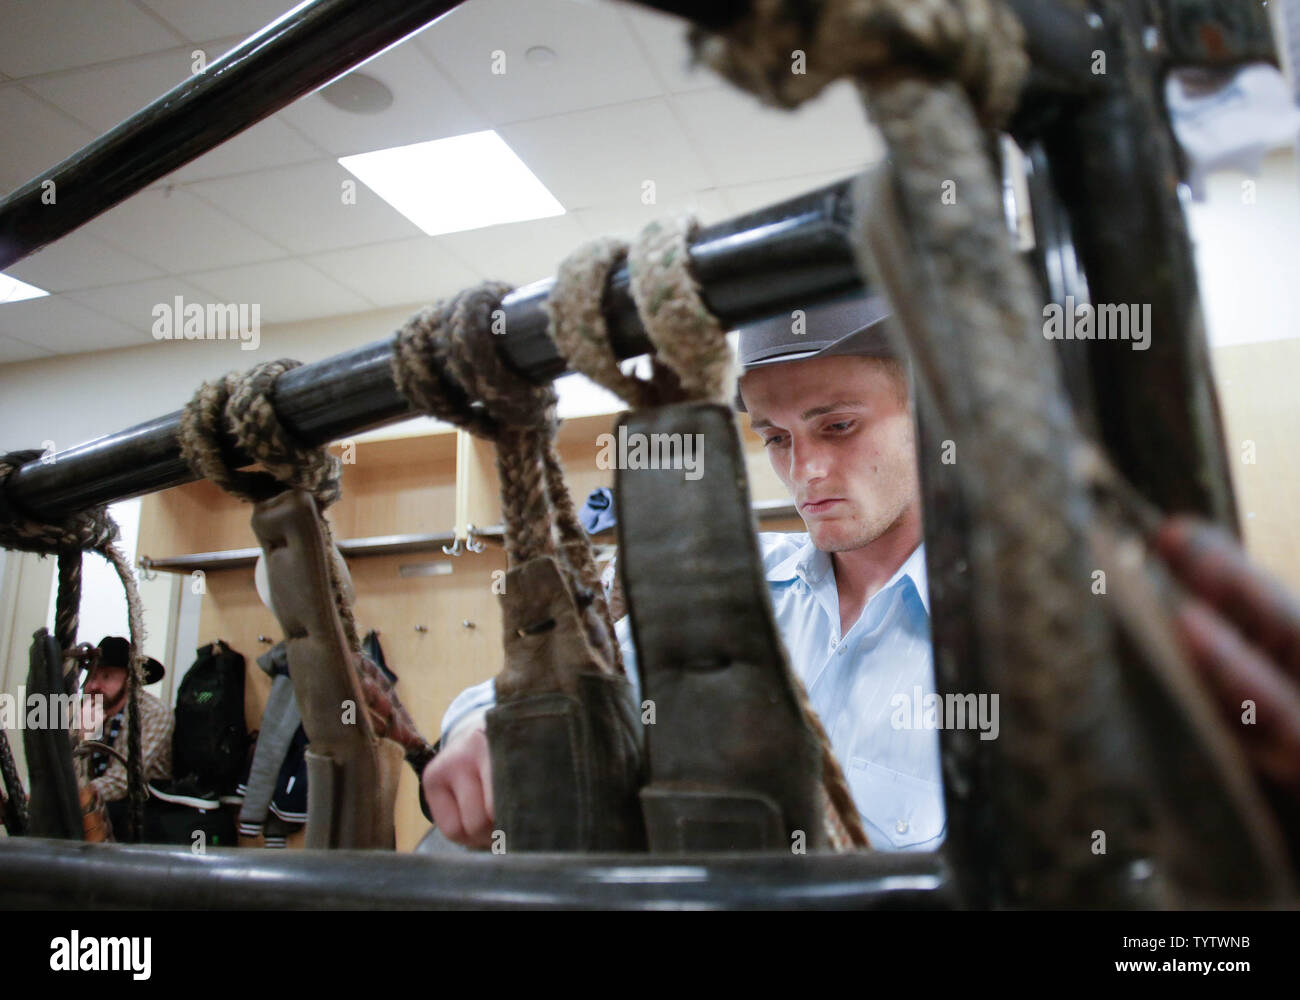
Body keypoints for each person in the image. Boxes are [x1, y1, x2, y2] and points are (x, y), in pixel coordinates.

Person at [424, 294, 947, 850]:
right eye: (775, 437)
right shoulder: (721, 588)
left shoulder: (1010, 631)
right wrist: (481, 731)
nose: (805, 471)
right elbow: (569, 683)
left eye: (839, 426)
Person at [79, 635, 173, 835]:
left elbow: (125, 779)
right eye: (92, 676)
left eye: (106, 676)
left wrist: (73, 797)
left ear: (129, 680)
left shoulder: (152, 712)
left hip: (145, 809)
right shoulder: (87, 710)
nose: (94, 685)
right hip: (94, 805)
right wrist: (80, 735)